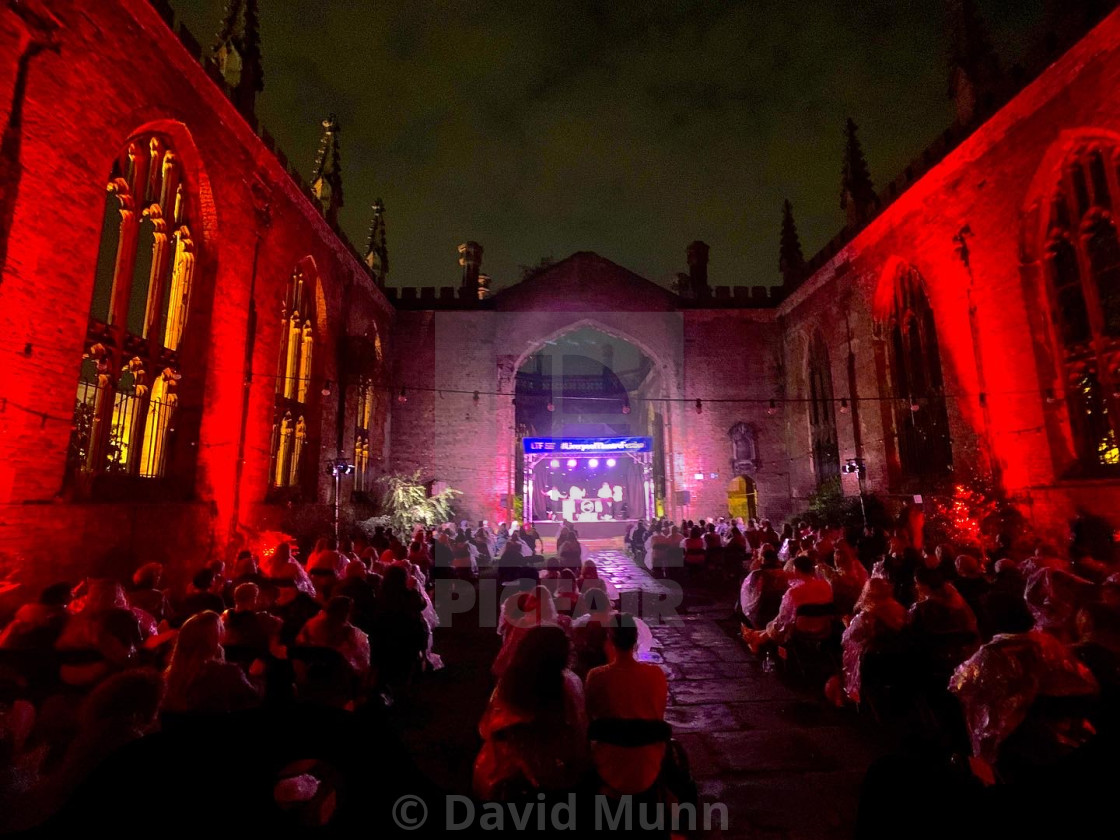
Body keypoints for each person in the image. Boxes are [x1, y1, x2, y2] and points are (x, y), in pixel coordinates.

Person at [474, 626, 588, 799]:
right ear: (563, 656)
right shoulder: (568, 688)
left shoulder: (508, 685)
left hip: (504, 775)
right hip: (553, 776)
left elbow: (485, 729)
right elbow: (578, 732)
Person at [585, 613, 669, 796]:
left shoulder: (596, 676)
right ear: (635, 639)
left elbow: (591, 714)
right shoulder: (656, 675)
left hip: (609, 764)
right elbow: (658, 714)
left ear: (610, 640)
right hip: (649, 764)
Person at [162, 612, 259, 715]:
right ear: (215, 640)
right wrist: (256, 675)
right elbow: (254, 697)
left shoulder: (168, 679)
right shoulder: (226, 674)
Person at [840, 578, 908, 704]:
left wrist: (848, 624)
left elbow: (850, 636)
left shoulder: (867, 615)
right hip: (899, 655)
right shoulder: (899, 608)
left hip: (873, 658)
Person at [296, 595, 372, 682]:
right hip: (323, 673)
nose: (350, 613)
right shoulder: (315, 626)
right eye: (347, 610)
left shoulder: (351, 632)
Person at [739, 546, 789, 629]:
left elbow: (749, 591)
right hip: (777, 605)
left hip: (761, 607)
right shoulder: (783, 573)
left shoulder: (757, 574)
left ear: (763, 559)